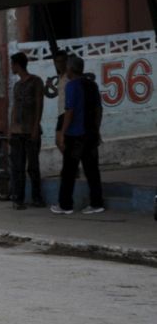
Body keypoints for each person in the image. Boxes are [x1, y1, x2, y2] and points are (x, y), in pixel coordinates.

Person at [53, 55, 105, 215]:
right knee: (92, 170)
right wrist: (96, 129)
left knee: (68, 171)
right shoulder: (92, 85)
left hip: (75, 135)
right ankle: (97, 203)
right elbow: (98, 110)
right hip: (90, 133)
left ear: (70, 69)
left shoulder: (72, 86)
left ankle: (65, 205)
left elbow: (69, 112)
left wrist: (62, 133)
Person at [9, 51, 45, 210]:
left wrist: (36, 126)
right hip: (17, 132)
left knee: (33, 167)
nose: (11, 67)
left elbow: (39, 104)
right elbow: (15, 107)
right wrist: (11, 127)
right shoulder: (17, 85)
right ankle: (19, 198)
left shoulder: (36, 82)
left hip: (30, 130)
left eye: (12, 64)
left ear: (17, 65)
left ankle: (37, 198)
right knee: (18, 167)